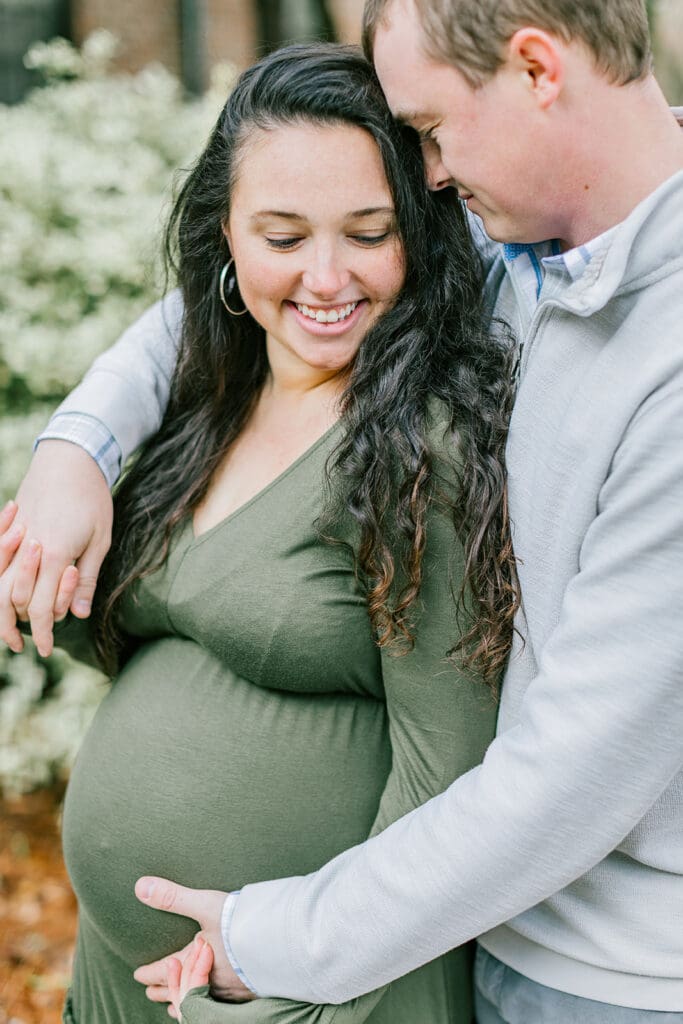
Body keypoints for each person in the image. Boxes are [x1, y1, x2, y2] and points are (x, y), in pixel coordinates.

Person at [2, 0, 683, 1021]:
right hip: (446, 938)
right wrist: (75, 449)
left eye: (430, 133)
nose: (432, 177)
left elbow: (568, 770)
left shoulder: (652, 364)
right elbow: (237, 280)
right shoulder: (514, 232)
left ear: (538, 70)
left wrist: (281, 945)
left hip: (602, 978)